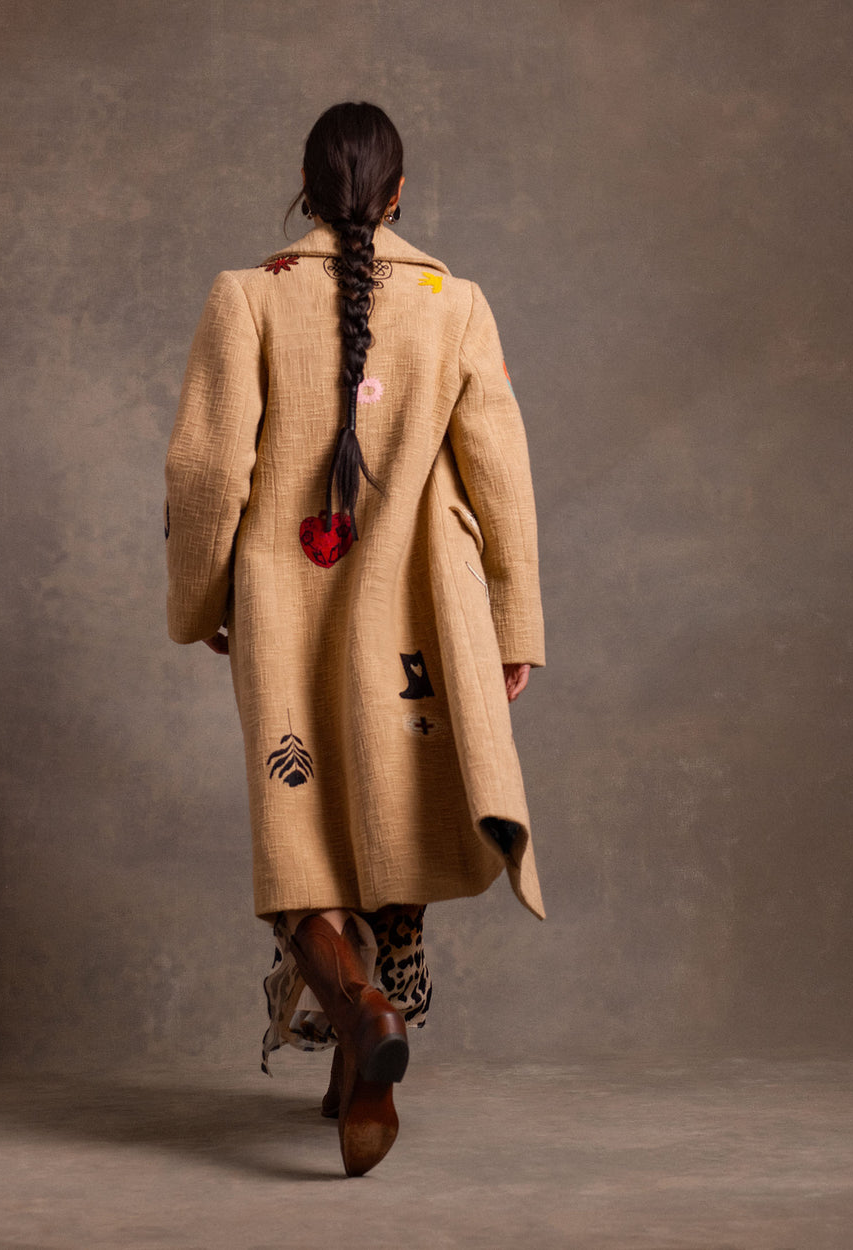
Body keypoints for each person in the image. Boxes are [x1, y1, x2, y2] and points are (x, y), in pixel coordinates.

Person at [164, 102, 545, 1177]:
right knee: (387, 810)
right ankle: (365, 1038)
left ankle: (356, 1007)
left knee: (301, 836)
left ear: (304, 185)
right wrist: (512, 623)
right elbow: (500, 470)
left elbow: (203, 472)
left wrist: (201, 601)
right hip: (419, 614)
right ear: (399, 191)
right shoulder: (454, 303)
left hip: (286, 603)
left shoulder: (246, 297)